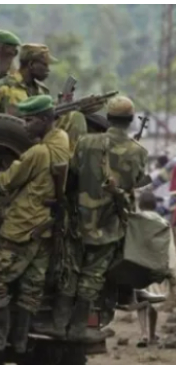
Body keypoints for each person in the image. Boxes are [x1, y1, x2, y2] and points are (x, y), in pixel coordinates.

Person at [0, 95, 70, 353]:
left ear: (43, 120)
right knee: (32, 285)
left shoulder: (38, 153)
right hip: (46, 228)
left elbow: (8, 181)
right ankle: (20, 341)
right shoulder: (62, 139)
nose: (24, 126)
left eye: (29, 120)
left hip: (21, 227)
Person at [65, 96, 148, 342]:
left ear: (108, 118)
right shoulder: (138, 151)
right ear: (131, 120)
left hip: (78, 221)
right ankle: (81, 324)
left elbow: (71, 175)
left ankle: (61, 320)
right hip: (110, 227)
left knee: (70, 272)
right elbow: (134, 186)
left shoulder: (86, 142)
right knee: (94, 276)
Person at [131, 191, 176, 347]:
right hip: (157, 267)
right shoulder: (163, 223)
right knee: (153, 300)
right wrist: (172, 272)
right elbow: (170, 249)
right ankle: (151, 335)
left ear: (141, 205)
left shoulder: (135, 222)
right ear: (155, 206)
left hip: (138, 266)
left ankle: (143, 334)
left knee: (141, 299)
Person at [0, 44, 55, 114]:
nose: (48, 69)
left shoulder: (42, 91)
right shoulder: (2, 88)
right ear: (31, 64)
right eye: (44, 65)